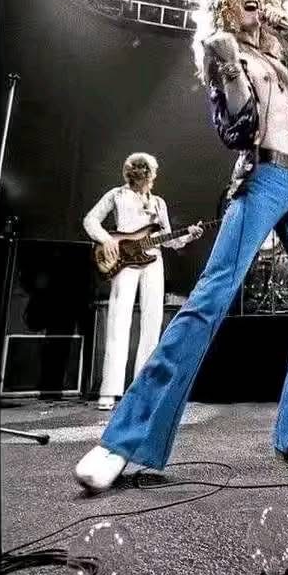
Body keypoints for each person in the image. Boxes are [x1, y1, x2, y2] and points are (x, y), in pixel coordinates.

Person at [75, 0, 288, 492]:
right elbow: (237, 129)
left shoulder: (281, 51)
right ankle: (122, 442)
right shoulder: (223, 50)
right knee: (210, 299)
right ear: (225, 3)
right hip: (261, 179)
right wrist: (228, 63)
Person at [83, 153, 203, 411]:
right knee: (118, 321)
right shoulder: (116, 195)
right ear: (141, 173)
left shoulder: (158, 203)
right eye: (151, 172)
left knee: (152, 321)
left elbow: (168, 239)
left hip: (152, 261)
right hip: (124, 261)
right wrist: (107, 239)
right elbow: (90, 220)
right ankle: (110, 390)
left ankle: (142, 388)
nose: (154, 176)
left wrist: (188, 236)